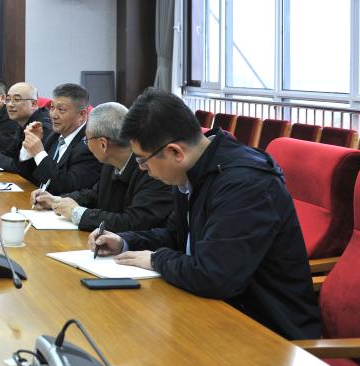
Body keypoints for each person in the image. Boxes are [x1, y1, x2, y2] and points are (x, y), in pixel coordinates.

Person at [89, 88, 321, 340]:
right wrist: (125, 241)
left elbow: (215, 275)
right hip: (217, 310)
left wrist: (156, 260)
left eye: (143, 160)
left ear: (175, 152)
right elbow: (176, 236)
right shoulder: (191, 171)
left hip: (269, 331)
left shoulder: (245, 185)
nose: (143, 169)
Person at [31, 102, 172, 232]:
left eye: (87, 140)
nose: (86, 145)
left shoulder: (151, 169)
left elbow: (133, 222)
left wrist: (77, 213)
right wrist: (56, 200)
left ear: (103, 144)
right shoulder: (111, 162)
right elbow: (94, 195)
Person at [1, 83, 100, 194]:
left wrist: (39, 153)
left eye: (61, 110)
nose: (53, 115)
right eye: (52, 108)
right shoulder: (54, 137)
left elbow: (67, 186)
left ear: (81, 115)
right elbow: (28, 175)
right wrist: (28, 145)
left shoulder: (90, 145)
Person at [0, 82, 51, 166]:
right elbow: (11, 153)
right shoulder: (21, 122)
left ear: (33, 104)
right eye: (8, 100)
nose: (10, 104)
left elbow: (26, 167)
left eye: (17, 100)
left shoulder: (40, 127)